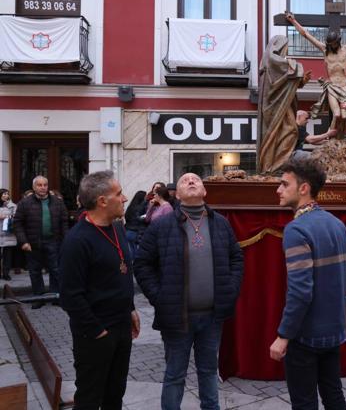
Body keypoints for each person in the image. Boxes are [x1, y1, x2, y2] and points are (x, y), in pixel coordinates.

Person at [134, 172, 244, 410]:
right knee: (175, 374)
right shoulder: (162, 225)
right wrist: (159, 297)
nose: (191, 182)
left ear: (204, 191)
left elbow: (236, 258)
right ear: (177, 194)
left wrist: (230, 289)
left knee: (208, 372)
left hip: (213, 317)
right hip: (176, 317)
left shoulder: (221, 223)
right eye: (185, 180)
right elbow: (142, 264)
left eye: (196, 180)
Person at [269, 154, 346, 409]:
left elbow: (300, 291)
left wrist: (283, 336)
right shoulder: (336, 224)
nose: (278, 189)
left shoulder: (296, 230)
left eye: (284, 184)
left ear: (303, 188)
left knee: (304, 403)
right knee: (334, 395)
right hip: (334, 331)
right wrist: (329, 296)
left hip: (305, 337)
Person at [59, 170, 140, 410]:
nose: (125, 198)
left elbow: (121, 272)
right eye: (119, 194)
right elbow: (70, 296)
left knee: (115, 394)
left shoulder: (117, 228)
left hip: (121, 326)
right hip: (95, 334)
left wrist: (131, 308)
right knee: (90, 397)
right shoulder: (77, 240)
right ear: (102, 201)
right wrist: (98, 332)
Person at [258, 35, 312, 173]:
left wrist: (301, 81)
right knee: (290, 129)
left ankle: (278, 164)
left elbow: (287, 80)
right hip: (276, 106)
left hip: (283, 103)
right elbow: (287, 71)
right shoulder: (272, 61)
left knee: (286, 131)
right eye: (285, 48)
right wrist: (296, 67)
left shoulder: (273, 65)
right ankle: (276, 165)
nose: (286, 52)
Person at [13, 176, 69, 309]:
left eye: (45, 185)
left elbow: (64, 222)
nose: (43, 187)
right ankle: (38, 297)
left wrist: (66, 240)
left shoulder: (57, 202)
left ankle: (56, 296)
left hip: (54, 242)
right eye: (39, 185)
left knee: (56, 269)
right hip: (33, 243)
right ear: (34, 187)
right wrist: (23, 241)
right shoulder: (24, 203)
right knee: (35, 271)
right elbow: (17, 224)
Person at [0, 189, 17, 280]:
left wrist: (6, 216)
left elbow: (16, 215)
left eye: (7, 194)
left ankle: (6, 273)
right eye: (4, 194)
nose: (6, 195)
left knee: (7, 256)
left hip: (8, 234)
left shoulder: (12, 206)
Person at [124, 190, 147, 255]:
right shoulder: (141, 207)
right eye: (145, 196)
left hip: (127, 231)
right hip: (135, 232)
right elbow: (139, 219)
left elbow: (126, 216)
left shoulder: (131, 206)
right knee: (136, 253)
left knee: (130, 252)